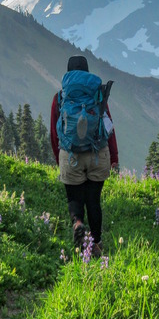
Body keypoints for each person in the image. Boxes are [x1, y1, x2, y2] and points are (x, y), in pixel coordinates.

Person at [50, 55, 118, 258]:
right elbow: (108, 127)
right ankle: (96, 243)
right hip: (98, 154)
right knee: (93, 200)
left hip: (70, 156)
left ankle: (78, 223)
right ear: (87, 72)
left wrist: (59, 157)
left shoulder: (60, 97)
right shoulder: (97, 95)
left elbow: (54, 132)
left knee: (75, 197)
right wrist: (113, 156)